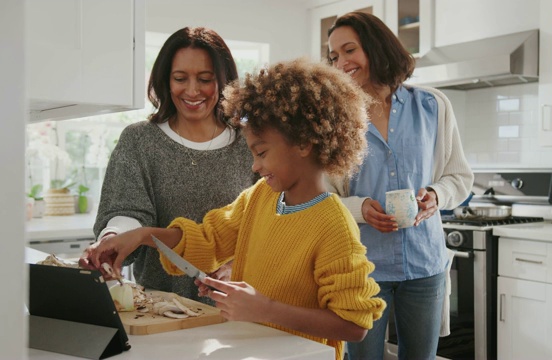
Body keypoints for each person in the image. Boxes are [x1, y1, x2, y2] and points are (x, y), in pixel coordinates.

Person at [81, 58, 386, 360]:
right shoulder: (260, 198)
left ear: (304, 143)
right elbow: (207, 240)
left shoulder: (333, 225)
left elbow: (353, 324)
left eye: (262, 152)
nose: (255, 166)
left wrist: (265, 309)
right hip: (250, 350)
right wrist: (142, 235)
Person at [325, 12, 474, 360]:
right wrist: (359, 208)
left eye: (350, 51)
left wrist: (437, 195)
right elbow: (321, 197)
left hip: (424, 265)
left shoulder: (433, 106)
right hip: (362, 270)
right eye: (334, 57)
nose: (341, 63)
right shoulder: (334, 117)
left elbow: (459, 176)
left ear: (376, 49)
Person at [79, 27, 257, 305]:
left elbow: (269, 222)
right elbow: (127, 209)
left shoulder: (251, 143)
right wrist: (114, 238)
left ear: (223, 81)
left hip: (237, 310)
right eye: (180, 78)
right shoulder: (139, 140)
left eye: (205, 79)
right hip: (157, 307)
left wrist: (241, 265)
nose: (192, 90)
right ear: (165, 80)